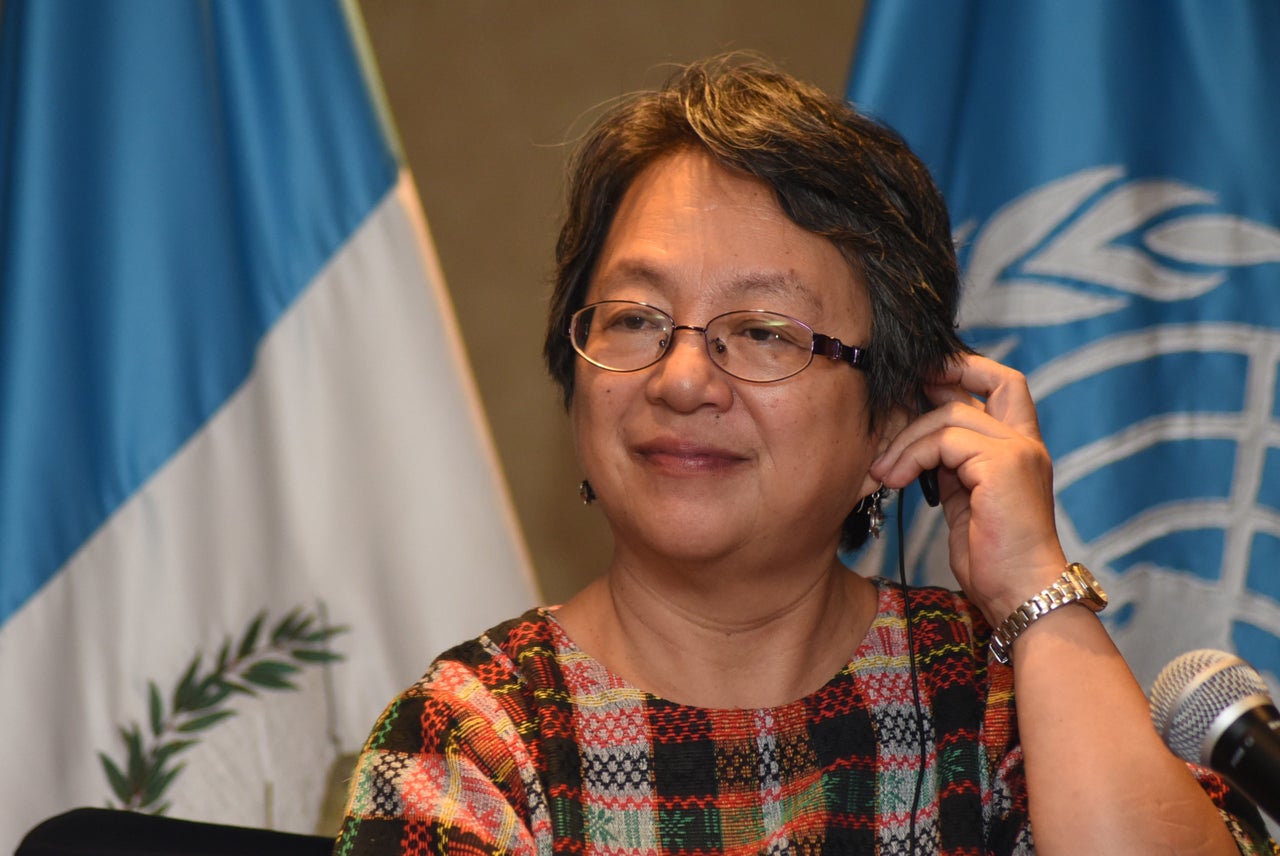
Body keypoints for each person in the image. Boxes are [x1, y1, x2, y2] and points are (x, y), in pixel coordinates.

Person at [332, 56, 1277, 855]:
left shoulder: (998, 705)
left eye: (766, 332)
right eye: (635, 319)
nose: (684, 379)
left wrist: (1035, 589)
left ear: (897, 414)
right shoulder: (478, 734)